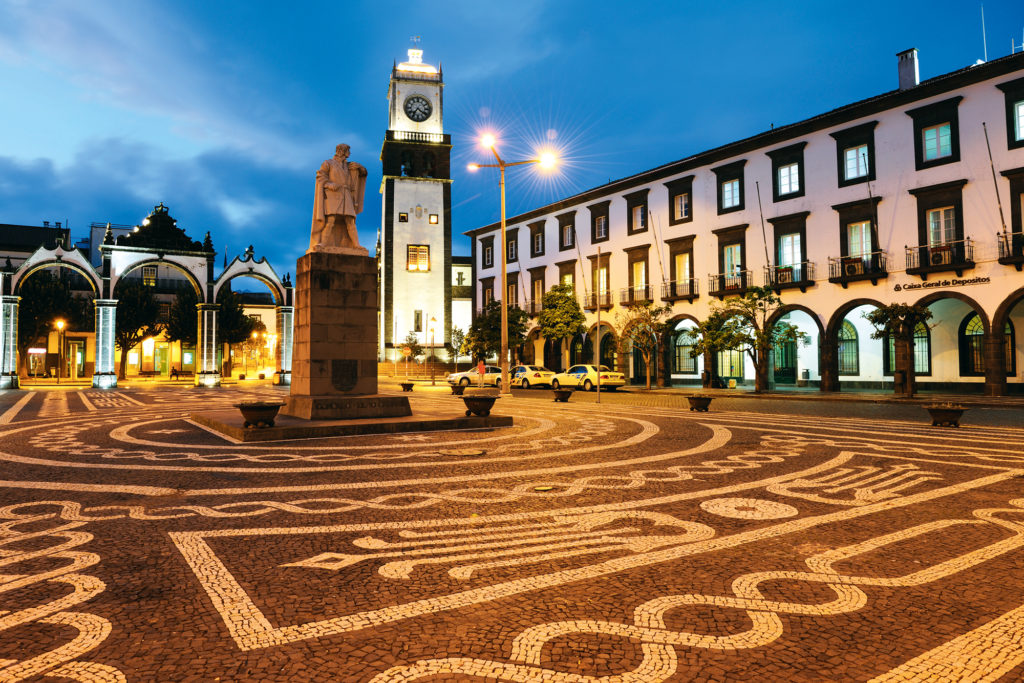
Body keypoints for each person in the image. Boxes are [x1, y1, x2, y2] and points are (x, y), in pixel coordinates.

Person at [310, 143, 367, 250]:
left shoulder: (350, 166)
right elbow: (321, 177)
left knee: (350, 220)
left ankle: (356, 244)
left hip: (347, 195)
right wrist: (329, 184)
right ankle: (323, 243)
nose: (349, 153)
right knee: (331, 219)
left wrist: (360, 167)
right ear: (341, 151)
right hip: (333, 195)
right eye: (348, 151)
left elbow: (362, 174)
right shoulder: (328, 163)